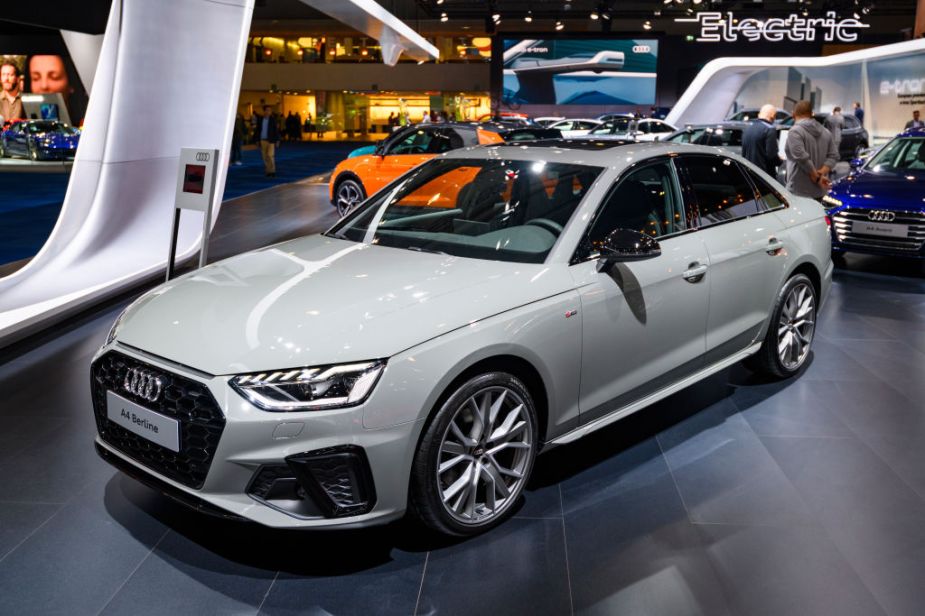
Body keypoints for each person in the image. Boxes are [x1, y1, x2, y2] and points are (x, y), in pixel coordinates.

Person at [785, 100, 838, 199]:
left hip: (798, 192)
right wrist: (821, 172)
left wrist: (816, 176)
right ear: (811, 114)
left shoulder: (794, 131)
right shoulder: (826, 132)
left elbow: (800, 156)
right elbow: (834, 156)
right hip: (820, 192)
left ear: (793, 114)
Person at [741, 104, 782, 176]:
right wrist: (780, 161)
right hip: (764, 176)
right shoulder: (770, 129)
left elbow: (744, 154)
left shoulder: (747, 129)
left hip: (748, 174)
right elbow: (771, 156)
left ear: (759, 114)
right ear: (773, 116)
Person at [256, 105, 279, 177]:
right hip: (262, 140)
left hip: (271, 140)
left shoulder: (273, 120)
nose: (269, 112)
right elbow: (258, 130)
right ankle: (268, 171)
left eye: (270, 110)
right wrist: (257, 140)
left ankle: (272, 171)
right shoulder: (260, 119)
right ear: (264, 111)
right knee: (264, 157)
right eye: (267, 110)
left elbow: (276, 130)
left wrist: (277, 140)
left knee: (270, 155)